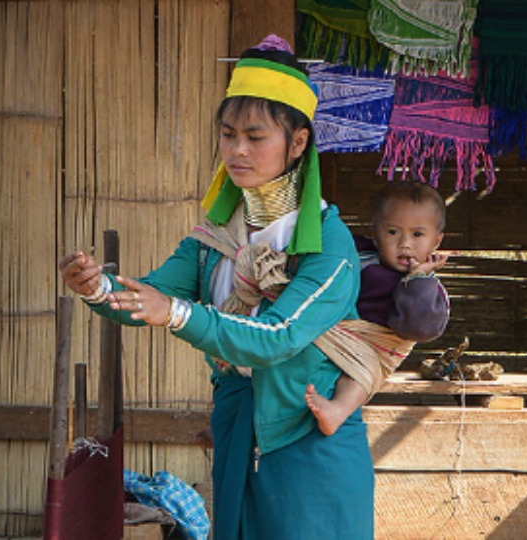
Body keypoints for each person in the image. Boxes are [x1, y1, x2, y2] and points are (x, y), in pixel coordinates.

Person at [59, 35, 374, 539]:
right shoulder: (215, 240)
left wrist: (178, 314)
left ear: (298, 143)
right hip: (236, 432)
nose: (237, 150)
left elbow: (277, 337)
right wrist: (98, 288)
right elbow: (149, 296)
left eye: (255, 136)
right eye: (228, 135)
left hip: (310, 447)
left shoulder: (328, 248)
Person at [306, 181, 450, 436]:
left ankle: (337, 412)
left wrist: (417, 278)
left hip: (373, 349)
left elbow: (420, 327)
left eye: (418, 235)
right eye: (393, 232)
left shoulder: (428, 287)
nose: (405, 244)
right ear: (375, 232)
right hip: (331, 336)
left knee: (360, 378)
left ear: (436, 241)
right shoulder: (359, 254)